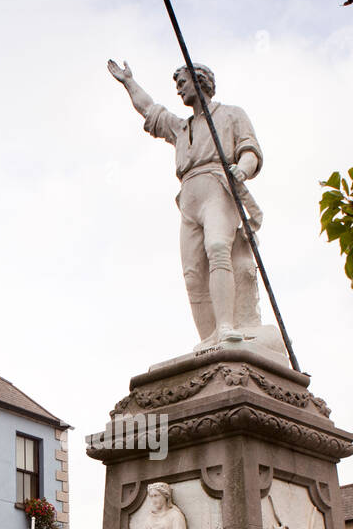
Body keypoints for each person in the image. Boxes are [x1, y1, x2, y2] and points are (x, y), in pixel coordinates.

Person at [108, 58, 264, 349]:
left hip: (218, 186)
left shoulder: (231, 115)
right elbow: (150, 109)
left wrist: (242, 168)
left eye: (182, 83)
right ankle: (208, 339)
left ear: (199, 79)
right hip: (189, 195)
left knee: (218, 248)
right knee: (193, 273)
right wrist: (129, 82)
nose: (178, 90)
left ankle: (227, 327)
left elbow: (250, 149)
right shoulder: (181, 128)